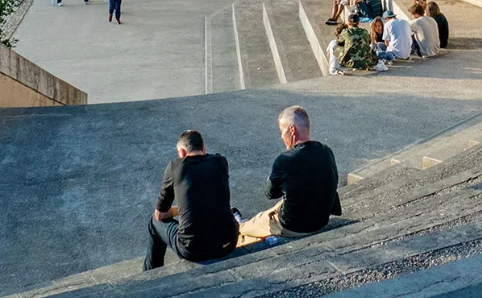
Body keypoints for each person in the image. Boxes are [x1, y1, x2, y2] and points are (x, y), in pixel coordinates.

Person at [236, 106, 342, 246]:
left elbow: (270, 193)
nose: (281, 137)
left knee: (254, 225)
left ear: (291, 130)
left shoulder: (285, 160)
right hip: (322, 220)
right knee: (279, 206)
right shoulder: (326, 151)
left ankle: (239, 225)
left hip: (294, 226)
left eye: (282, 131)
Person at [145, 130, 238, 270]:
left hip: (193, 250)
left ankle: (151, 274)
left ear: (182, 152)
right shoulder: (220, 161)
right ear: (204, 148)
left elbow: (160, 214)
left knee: (154, 222)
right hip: (229, 243)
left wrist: (180, 210)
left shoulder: (175, 167)